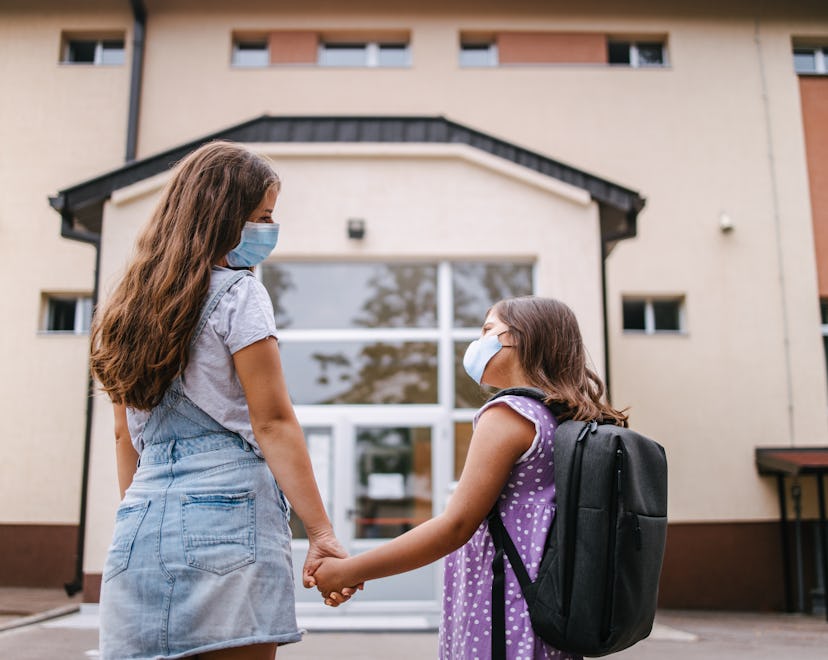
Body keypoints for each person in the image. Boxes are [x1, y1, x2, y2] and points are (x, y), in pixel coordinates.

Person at [90, 141, 351, 660]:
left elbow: (125, 436)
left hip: (138, 521)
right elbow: (273, 422)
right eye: (261, 217)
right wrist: (320, 532)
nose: (267, 231)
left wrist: (152, 515)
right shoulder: (239, 293)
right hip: (226, 517)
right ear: (221, 217)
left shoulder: (122, 311)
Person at [310, 296, 628, 660]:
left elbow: (455, 525)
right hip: (543, 616)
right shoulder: (560, 418)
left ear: (521, 339)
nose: (478, 344)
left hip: (503, 615)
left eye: (488, 330)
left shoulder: (509, 414)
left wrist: (347, 571)